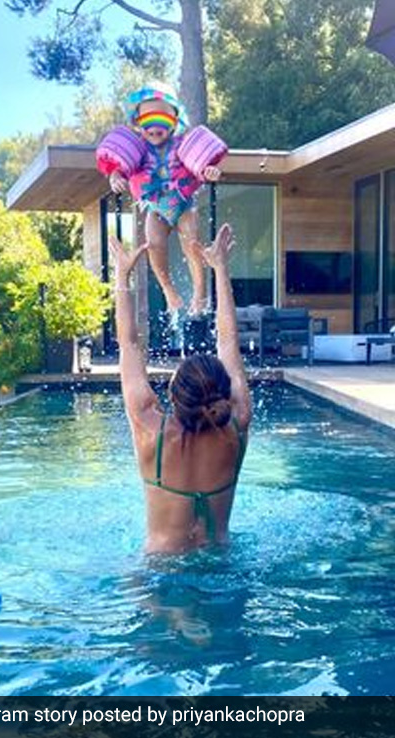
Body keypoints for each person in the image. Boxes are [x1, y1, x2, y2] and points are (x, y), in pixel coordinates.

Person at [108, 223, 252, 554]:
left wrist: (122, 277)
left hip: (161, 568)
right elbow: (228, 342)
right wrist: (220, 269)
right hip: (221, 562)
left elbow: (129, 344)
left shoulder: (149, 428)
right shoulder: (238, 422)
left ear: (174, 394)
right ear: (224, 392)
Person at [108, 84, 223, 316]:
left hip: (183, 203)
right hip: (156, 207)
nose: (155, 127)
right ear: (138, 124)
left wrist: (210, 171)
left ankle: (200, 293)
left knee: (192, 244)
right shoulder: (138, 149)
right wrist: (115, 177)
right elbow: (120, 167)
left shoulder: (182, 144)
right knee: (154, 244)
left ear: (173, 123)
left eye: (162, 120)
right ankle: (169, 291)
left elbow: (201, 165)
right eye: (148, 121)